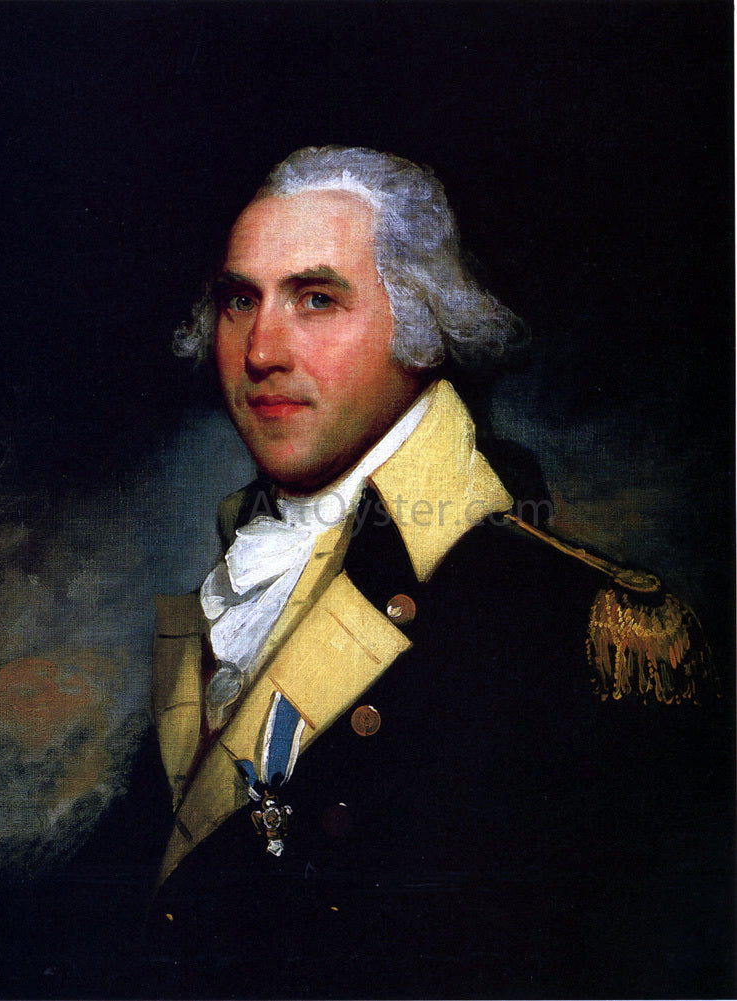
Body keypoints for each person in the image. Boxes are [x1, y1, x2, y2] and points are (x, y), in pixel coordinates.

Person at [140, 147, 730, 998]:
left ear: (420, 323)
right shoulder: (231, 578)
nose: (260, 348)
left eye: (316, 298)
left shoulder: (571, 620)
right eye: (241, 300)